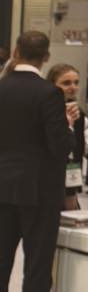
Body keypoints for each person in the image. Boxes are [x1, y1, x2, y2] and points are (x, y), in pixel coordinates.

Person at [0, 32, 78, 292]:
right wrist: (67, 125)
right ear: (46, 57)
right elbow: (60, 147)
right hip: (40, 189)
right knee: (37, 265)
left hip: (4, 184)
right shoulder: (49, 93)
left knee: (0, 258)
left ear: (17, 51)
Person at [47, 63, 85, 210]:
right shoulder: (45, 111)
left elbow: (77, 152)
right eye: (66, 83)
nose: (73, 87)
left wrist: (73, 189)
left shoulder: (78, 113)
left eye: (76, 82)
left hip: (69, 174)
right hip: (46, 178)